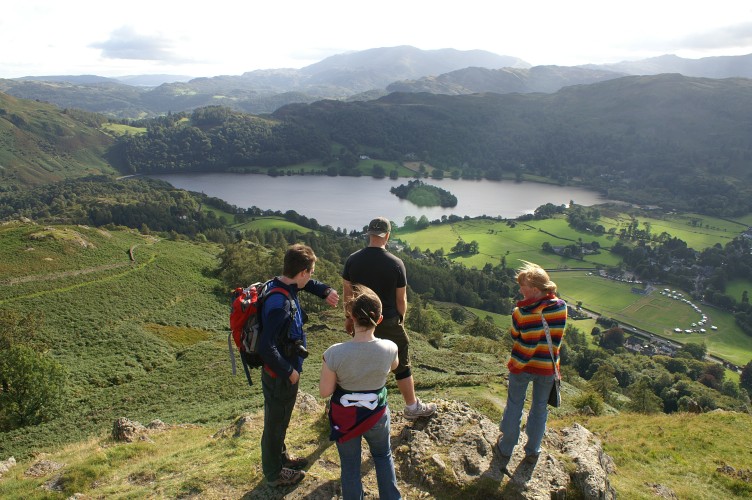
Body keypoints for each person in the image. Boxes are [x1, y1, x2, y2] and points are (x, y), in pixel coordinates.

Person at [258, 243, 340, 487]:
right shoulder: (280, 305)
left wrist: (324, 290)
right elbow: (265, 347)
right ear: (302, 272)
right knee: (275, 422)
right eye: (311, 272)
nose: (312, 276)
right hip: (280, 374)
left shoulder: (280, 284)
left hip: (281, 371)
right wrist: (290, 372)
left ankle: (281, 458)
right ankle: (274, 474)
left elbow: (306, 283)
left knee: (280, 418)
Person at [342, 216, 436, 420]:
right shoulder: (396, 263)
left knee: (361, 358)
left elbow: (348, 295)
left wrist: (349, 317)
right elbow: (401, 298)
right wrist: (400, 319)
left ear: (369, 234)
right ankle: (412, 407)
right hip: (388, 319)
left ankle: (356, 406)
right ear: (387, 235)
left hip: (361, 320)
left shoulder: (352, 259)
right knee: (401, 364)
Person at [320, 285, 401, 500]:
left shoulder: (334, 353)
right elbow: (395, 367)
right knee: (383, 456)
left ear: (352, 316)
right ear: (380, 319)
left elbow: (325, 391)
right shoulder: (391, 347)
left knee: (349, 466)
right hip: (377, 414)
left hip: (345, 417)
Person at [496, 261, 567, 465]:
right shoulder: (561, 308)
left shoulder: (520, 313)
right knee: (539, 408)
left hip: (522, 365)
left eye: (523, 286)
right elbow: (557, 335)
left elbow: (515, 335)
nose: (520, 289)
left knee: (514, 405)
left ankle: (506, 447)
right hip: (547, 367)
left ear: (534, 290)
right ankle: (533, 449)